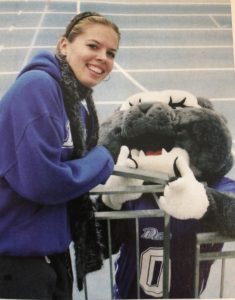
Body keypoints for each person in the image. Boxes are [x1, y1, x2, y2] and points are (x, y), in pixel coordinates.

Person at [0, 11, 120, 299]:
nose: (103, 57)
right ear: (64, 45)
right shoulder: (37, 87)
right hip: (15, 262)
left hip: (49, 255)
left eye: (111, 52)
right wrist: (105, 157)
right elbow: (42, 180)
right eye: (93, 46)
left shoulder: (75, 105)